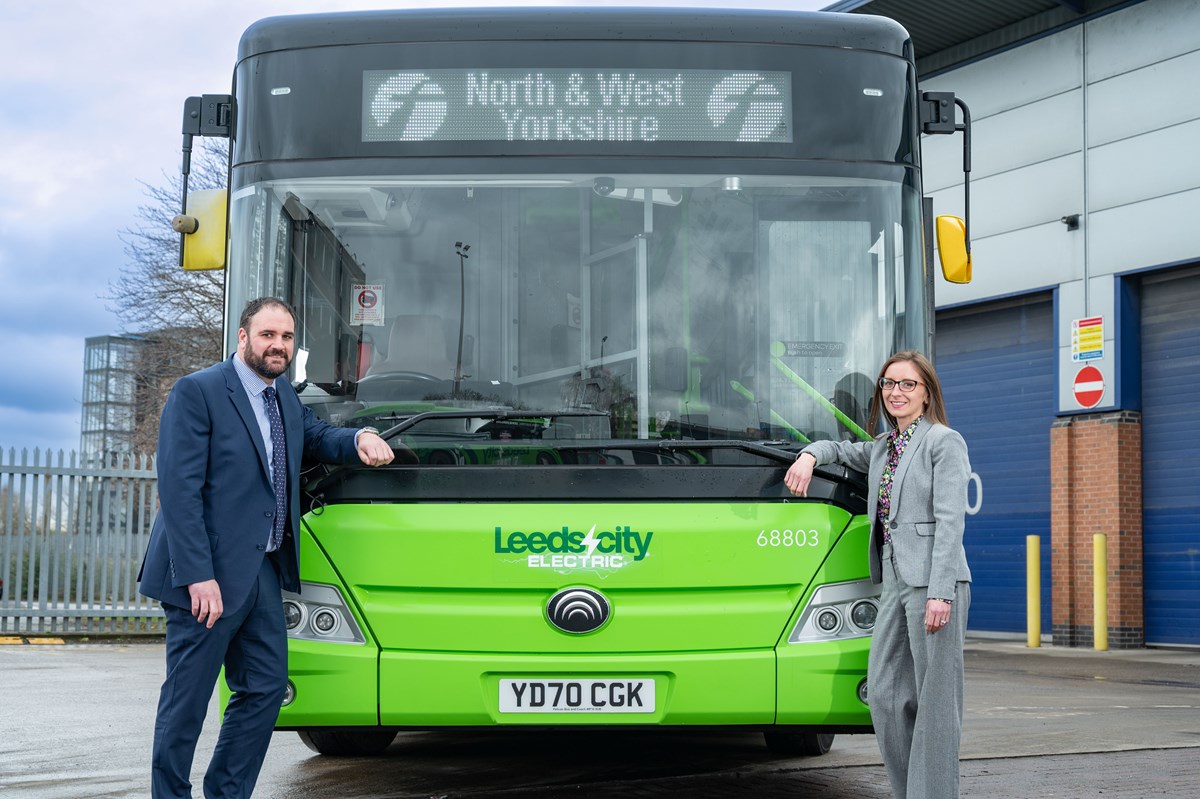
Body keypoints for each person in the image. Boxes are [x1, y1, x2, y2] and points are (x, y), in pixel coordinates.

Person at [138, 297, 395, 798]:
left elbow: (317, 436)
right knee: (186, 702)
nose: (278, 345)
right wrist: (197, 574)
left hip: (262, 568)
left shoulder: (285, 398)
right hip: (205, 576)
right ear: (243, 337)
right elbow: (178, 490)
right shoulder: (199, 391)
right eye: (267, 335)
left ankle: (227, 794)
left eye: (286, 338)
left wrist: (360, 436)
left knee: (264, 689)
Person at [784, 350, 971, 799]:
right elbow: (838, 449)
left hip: (934, 582)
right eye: (889, 383)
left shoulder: (944, 442)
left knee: (937, 704)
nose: (896, 392)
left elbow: (951, 522)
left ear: (926, 394)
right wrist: (808, 456)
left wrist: (941, 592)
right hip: (893, 579)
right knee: (885, 694)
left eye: (908, 384)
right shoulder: (885, 447)